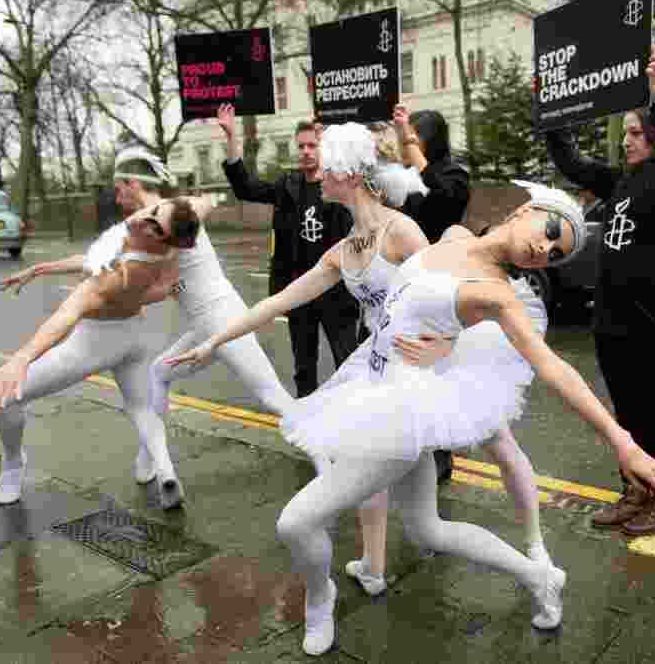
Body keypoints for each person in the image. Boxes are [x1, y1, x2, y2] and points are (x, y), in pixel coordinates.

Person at [210, 125, 655, 654]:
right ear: (523, 211)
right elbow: (405, 301)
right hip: (375, 383)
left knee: (294, 522)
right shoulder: (452, 238)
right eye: (549, 231)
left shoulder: (494, 292)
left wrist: (623, 441)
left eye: (554, 254)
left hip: (395, 414)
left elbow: (552, 367)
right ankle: (537, 576)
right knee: (429, 529)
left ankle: (321, 603)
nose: (543, 249)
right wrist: (213, 341)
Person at [165, 123, 556, 599]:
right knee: (383, 474)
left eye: (325, 168)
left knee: (498, 443)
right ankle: (375, 564)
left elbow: (454, 290)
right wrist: (214, 341)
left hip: (429, 364)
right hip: (382, 368)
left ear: (347, 174)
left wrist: (448, 349)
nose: (317, 176)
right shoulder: (345, 250)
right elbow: (280, 301)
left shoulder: (402, 231)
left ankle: (536, 552)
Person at [0, 149, 296, 485]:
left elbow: (197, 215)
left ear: (131, 183)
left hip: (225, 317)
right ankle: (151, 460)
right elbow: (98, 258)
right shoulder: (149, 221)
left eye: (118, 189)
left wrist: (132, 293)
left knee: (272, 396)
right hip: (206, 322)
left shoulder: (168, 217)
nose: (116, 197)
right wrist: (43, 268)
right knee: (159, 372)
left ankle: (329, 455)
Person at [544, 45, 655, 536]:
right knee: (627, 417)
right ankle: (634, 492)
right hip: (615, 319)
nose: (627, 141)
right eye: (626, 132)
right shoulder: (622, 180)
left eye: (635, 133)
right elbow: (572, 163)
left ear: (652, 136)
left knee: (654, 414)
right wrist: (553, 114)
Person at [0, 196, 201, 510]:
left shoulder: (116, 274)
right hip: (135, 338)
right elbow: (93, 259)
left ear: (167, 239)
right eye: (153, 212)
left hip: (94, 344)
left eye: (155, 224)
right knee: (141, 406)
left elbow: (66, 314)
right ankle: (166, 472)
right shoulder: (166, 250)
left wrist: (21, 358)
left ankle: (13, 461)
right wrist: (42, 268)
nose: (145, 219)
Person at [219, 104, 360, 397]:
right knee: (303, 366)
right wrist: (232, 137)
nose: (306, 151)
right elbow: (246, 188)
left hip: (337, 291)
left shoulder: (341, 184)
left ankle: (354, 420)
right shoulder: (288, 185)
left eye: (313, 145)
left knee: (348, 361)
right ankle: (308, 421)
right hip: (299, 291)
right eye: (301, 146)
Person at [393, 103, 472, 483]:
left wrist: (418, 161)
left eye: (418, 139)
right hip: (411, 280)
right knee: (409, 369)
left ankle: (442, 453)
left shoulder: (452, 174)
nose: (413, 147)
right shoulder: (410, 178)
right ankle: (415, 446)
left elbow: (445, 202)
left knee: (437, 369)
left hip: (442, 283)